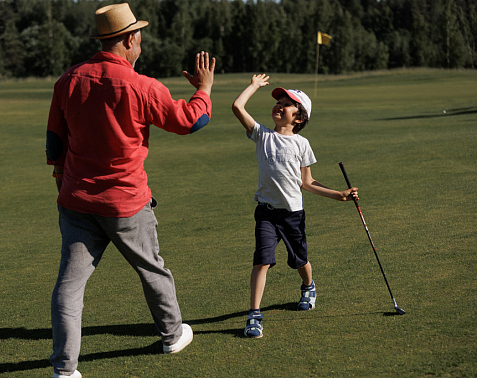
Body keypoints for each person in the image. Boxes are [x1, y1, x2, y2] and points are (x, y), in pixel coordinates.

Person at [45, 3, 216, 377]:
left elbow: (54, 144)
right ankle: (172, 336)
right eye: (138, 36)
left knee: (69, 287)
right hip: (126, 204)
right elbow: (192, 121)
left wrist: (62, 178)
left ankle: (64, 370)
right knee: (153, 271)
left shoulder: (68, 79)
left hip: (76, 201)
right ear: (129, 39)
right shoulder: (141, 85)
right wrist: (204, 88)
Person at [231, 74, 358, 338]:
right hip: (266, 212)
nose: (279, 104)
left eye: (287, 103)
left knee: (299, 260)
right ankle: (254, 315)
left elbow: (307, 183)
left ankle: (309, 285)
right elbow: (237, 107)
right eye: (279, 100)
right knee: (261, 261)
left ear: (299, 118)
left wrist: (339, 194)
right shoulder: (262, 135)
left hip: (292, 215)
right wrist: (254, 86)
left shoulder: (302, 144)